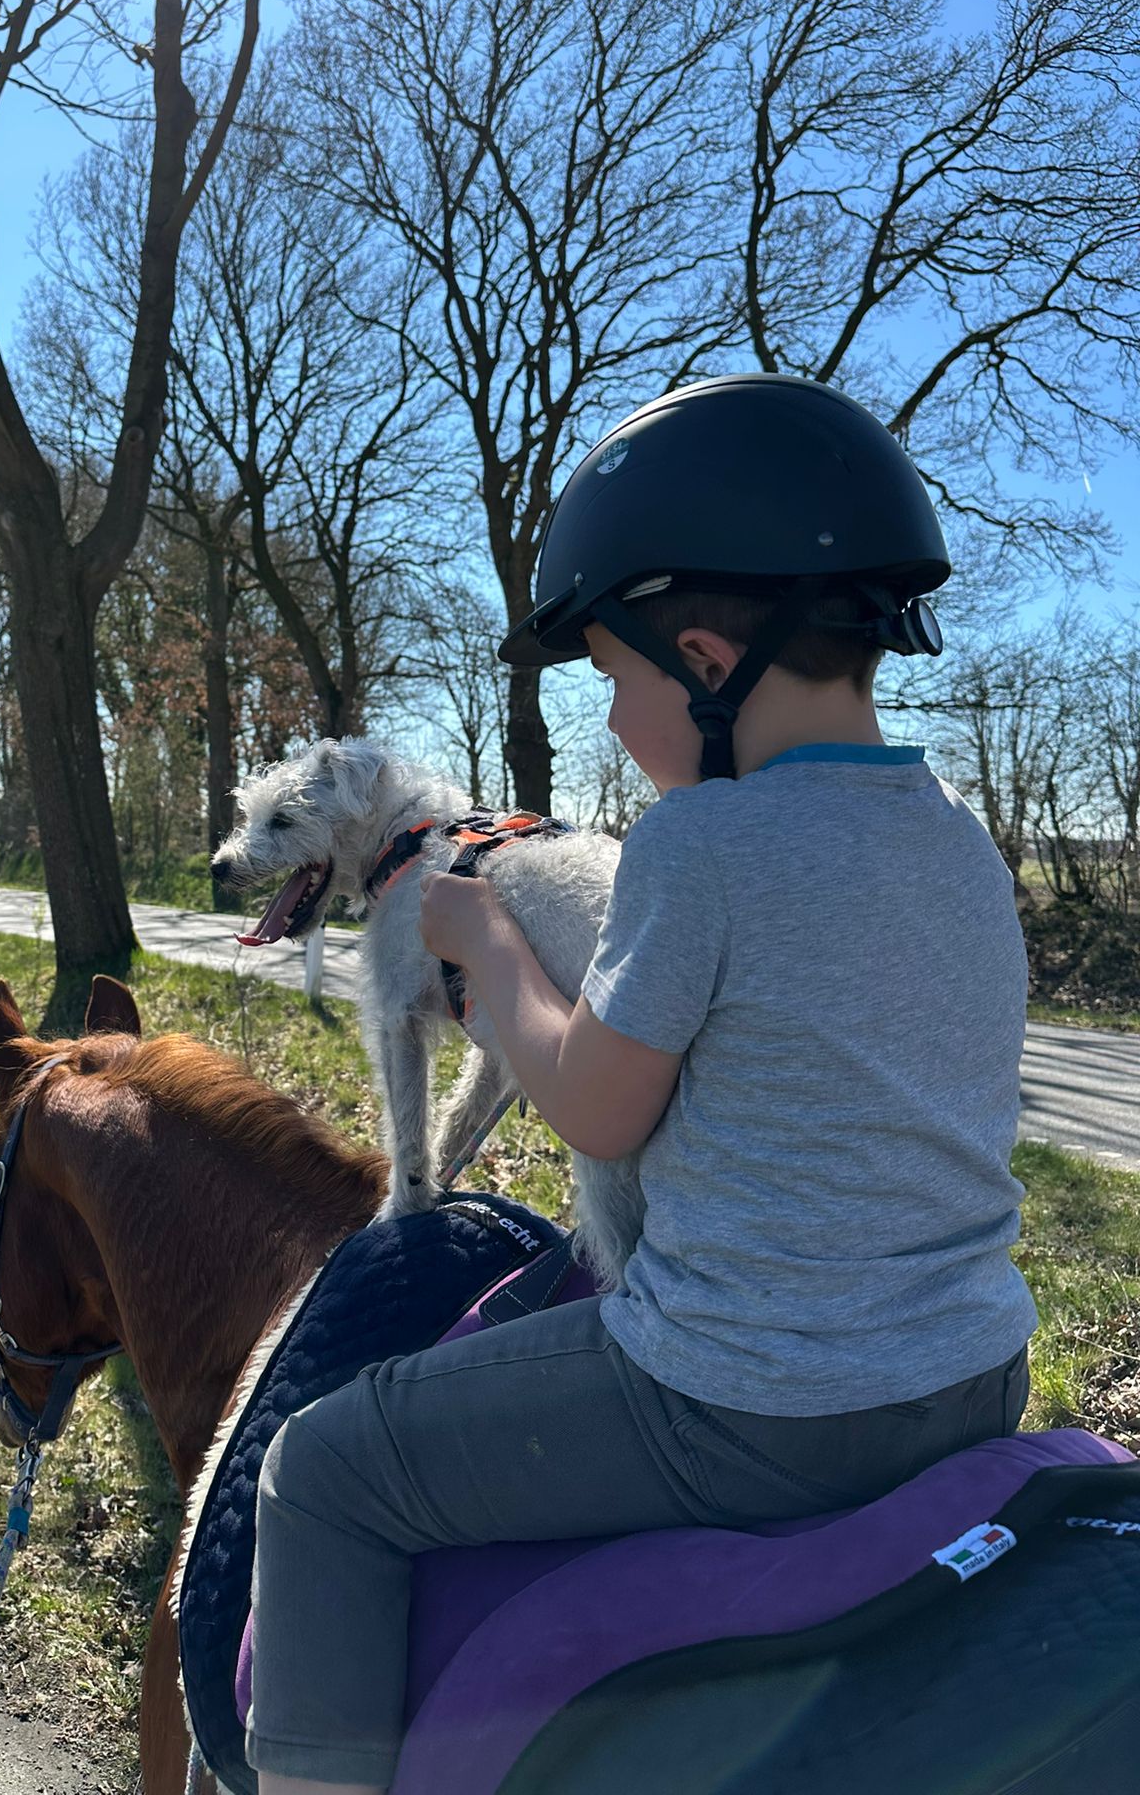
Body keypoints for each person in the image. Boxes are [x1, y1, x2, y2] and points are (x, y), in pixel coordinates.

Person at [247, 373, 1038, 1795]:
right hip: (975, 1373)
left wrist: (485, 939)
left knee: (322, 1471)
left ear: (703, 656)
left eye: (615, 682)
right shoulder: (964, 848)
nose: (612, 721)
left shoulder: (699, 848)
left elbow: (598, 1109)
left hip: (749, 1401)